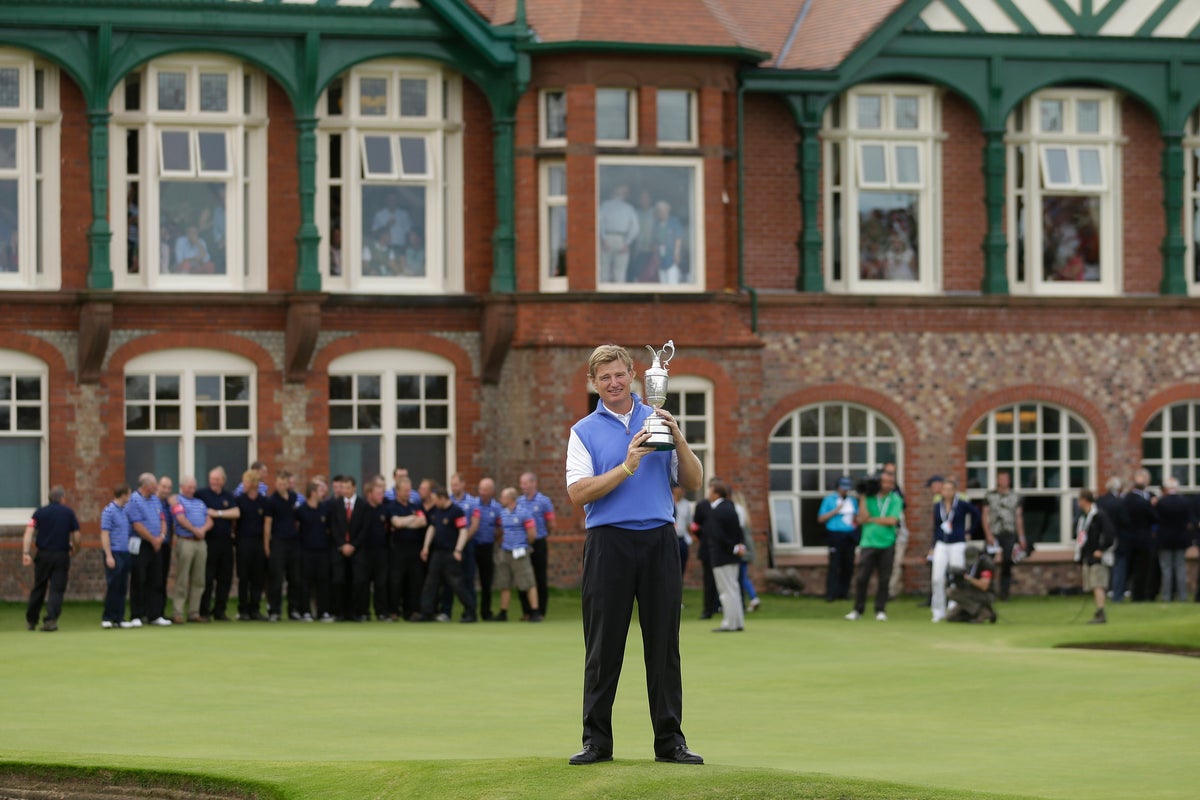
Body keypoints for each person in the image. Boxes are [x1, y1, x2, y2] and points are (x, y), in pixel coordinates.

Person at [565, 343, 704, 766]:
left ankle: (670, 741)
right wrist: (626, 466)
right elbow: (577, 493)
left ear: (634, 376)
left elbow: (694, 482)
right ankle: (597, 742)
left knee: (664, 644)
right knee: (603, 646)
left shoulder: (657, 419)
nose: (613, 383)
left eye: (619, 375)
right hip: (608, 543)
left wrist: (677, 436)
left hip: (659, 540)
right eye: (604, 377)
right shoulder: (583, 430)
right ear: (594, 383)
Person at [846, 469, 903, 622]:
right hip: (868, 542)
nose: (889, 485)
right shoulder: (870, 498)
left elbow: (892, 520)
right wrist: (863, 497)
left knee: (884, 579)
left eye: (891, 482)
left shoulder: (895, 499)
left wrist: (872, 519)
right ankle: (858, 609)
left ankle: (880, 609)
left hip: (887, 543)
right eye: (886, 482)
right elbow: (862, 518)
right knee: (862, 578)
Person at [22, 486, 81, 632]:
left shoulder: (39, 512)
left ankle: (31, 620)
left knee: (39, 587)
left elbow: (29, 532)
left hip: (43, 555)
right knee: (57, 588)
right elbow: (77, 535)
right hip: (61, 555)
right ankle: (51, 619)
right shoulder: (68, 513)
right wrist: (76, 548)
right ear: (62, 498)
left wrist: (26, 552)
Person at [418, 484, 477, 622]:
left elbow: (463, 531)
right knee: (430, 583)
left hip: (451, 553)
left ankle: (470, 611)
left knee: (457, 584)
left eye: (436, 499)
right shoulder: (437, 512)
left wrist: (458, 550)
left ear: (443, 498)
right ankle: (426, 612)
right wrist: (425, 547)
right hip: (437, 553)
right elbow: (432, 529)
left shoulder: (457, 511)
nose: (434, 503)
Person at [695, 480, 746, 632]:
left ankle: (729, 623)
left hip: (721, 556)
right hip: (732, 555)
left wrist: (733, 548)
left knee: (726, 591)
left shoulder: (716, 511)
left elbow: (718, 535)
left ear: (716, 493)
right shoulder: (731, 507)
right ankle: (737, 622)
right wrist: (738, 547)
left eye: (710, 491)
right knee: (734, 588)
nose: (708, 494)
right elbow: (738, 530)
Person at [929, 477, 982, 623]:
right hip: (941, 543)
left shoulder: (962, 505)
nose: (946, 492)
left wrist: (969, 531)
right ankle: (938, 610)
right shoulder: (937, 506)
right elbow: (935, 527)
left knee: (956, 575)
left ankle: (954, 607)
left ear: (954, 491)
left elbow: (977, 514)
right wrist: (932, 546)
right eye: (944, 489)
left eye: (949, 489)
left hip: (957, 543)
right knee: (937, 578)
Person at [491, 486, 542, 622]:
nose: (501, 499)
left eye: (503, 497)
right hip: (505, 551)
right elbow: (500, 531)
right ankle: (503, 612)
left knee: (528, 582)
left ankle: (535, 611)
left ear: (510, 498)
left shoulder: (524, 512)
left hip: (520, 552)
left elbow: (532, 533)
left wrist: (523, 544)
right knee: (504, 582)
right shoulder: (502, 513)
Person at [126, 473, 172, 627]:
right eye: (154, 485)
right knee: (139, 579)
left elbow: (162, 519)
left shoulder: (155, 499)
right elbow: (137, 525)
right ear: (146, 485)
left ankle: (155, 614)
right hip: (141, 544)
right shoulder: (134, 499)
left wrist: (161, 536)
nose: (157, 487)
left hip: (157, 543)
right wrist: (153, 539)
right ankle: (137, 614)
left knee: (156, 578)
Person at [197, 467, 238, 621]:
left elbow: (236, 512)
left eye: (217, 479)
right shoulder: (201, 494)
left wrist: (218, 513)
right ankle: (204, 610)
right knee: (207, 578)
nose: (214, 482)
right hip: (208, 541)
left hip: (226, 542)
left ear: (223, 480)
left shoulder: (228, 495)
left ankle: (220, 611)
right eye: (212, 479)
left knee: (225, 578)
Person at [170, 475, 212, 623]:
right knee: (182, 577)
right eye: (189, 487)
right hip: (186, 540)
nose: (192, 490)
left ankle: (194, 612)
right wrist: (195, 530)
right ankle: (178, 613)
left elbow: (209, 519)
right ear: (182, 487)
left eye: (194, 487)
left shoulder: (200, 503)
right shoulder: (178, 501)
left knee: (199, 579)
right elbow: (180, 519)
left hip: (200, 542)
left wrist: (203, 530)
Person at [387, 476, 428, 621]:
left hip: (414, 549)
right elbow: (396, 523)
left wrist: (406, 521)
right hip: (398, 549)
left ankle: (412, 611)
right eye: (404, 490)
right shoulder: (391, 506)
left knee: (415, 581)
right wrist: (411, 519)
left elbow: (422, 521)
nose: (407, 493)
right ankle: (394, 611)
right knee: (396, 581)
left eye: (409, 490)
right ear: (397, 491)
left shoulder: (415, 505)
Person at [516, 471, 556, 618]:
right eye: (521, 484)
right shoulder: (519, 501)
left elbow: (551, 523)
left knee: (539, 577)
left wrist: (542, 535)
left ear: (534, 483)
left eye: (525, 483)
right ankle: (526, 610)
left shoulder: (544, 501)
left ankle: (540, 610)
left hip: (539, 542)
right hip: (522, 543)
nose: (523, 486)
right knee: (523, 576)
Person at [982, 470, 1026, 600]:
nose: (1004, 481)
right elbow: (985, 516)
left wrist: (1021, 537)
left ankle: (1004, 593)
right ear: (997, 480)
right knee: (987, 562)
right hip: (994, 533)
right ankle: (987, 590)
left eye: (1006, 479)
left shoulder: (1015, 496)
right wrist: (988, 534)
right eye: (1001, 479)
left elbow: (1018, 517)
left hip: (1009, 533)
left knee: (1007, 562)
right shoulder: (990, 496)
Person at [265, 470, 301, 621]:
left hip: (293, 542)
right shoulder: (271, 501)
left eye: (285, 483)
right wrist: (267, 546)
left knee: (294, 577)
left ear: (288, 484)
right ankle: (275, 610)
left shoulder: (293, 498)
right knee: (277, 578)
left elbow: (298, 520)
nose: (282, 486)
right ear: (276, 483)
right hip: (278, 542)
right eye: (280, 483)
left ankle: (293, 610)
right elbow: (267, 524)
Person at [232, 469, 269, 620]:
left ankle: (255, 609)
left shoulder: (263, 502)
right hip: (243, 542)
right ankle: (243, 610)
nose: (244, 484)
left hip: (258, 542)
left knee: (258, 577)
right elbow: (234, 522)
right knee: (244, 577)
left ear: (253, 483)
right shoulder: (239, 500)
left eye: (246, 481)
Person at [353, 478, 391, 621]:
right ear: (370, 494)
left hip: (381, 551)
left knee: (381, 583)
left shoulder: (384, 509)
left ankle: (381, 612)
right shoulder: (362, 508)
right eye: (378, 493)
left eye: (382, 493)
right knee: (363, 582)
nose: (381, 496)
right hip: (364, 552)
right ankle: (363, 612)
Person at [328, 475, 365, 621]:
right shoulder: (335, 505)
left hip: (358, 550)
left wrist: (353, 545)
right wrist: (342, 545)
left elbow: (364, 529)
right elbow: (333, 527)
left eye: (347, 487)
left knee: (358, 581)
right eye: (343, 487)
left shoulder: (363, 505)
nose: (345, 490)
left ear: (354, 488)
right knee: (339, 580)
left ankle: (356, 613)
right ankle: (340, 613)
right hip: (339, 549)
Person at [1075, 490, 1115, 624]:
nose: (1078, 502)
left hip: (1097, 557)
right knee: (1092, 585)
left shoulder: (1099, 516)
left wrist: (1101, 550)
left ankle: (1101, 611)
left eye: (1079, 499)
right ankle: (1098, 610)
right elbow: (1082, 539)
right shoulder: (1083, 518)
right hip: (1088, 556)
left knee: (1098, 584)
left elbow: (1110, 535)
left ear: (1085, 500)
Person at [99, 484, 135, 629]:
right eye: (129, 494)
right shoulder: (109, 511)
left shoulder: (124, 511)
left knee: (122, 586)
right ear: (124, 495)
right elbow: (105, 534)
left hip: (125, 552)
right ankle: (107, 617)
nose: (130, 497)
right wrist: (108, 555)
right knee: (113, 586)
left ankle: (119, 618)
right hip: (113, 552)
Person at [296, 479, 332, 621]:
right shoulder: (301, 510)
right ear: (313, 493)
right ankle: (305, 611)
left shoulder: (325, 509)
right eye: (320, 490)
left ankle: (323, 612)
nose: (322, 493)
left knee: (323, 582)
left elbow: (329, 529)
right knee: (305, 583)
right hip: (306, 551)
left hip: (322, 551)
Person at [818, 476, 858, 602]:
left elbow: (856, 518)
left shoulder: (852, 501)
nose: (845, 491)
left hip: (849, 535)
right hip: (834, 535)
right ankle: (831, 593)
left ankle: (844, 593)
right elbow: (821, 519)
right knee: (834, 565)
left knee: (848, 566)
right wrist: (836, 511)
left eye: (847, 489)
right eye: (843, 488)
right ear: (838, 487)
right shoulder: (829, 500)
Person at [468, 477, 502, 620]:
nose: (482, 492)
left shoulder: (497, 508)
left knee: (486, 581)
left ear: (492, 491)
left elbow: (500, 529)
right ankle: (470, 611)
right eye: (481, 489)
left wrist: (494, 540)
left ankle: (486, 612)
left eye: (485, 490)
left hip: (487, 547)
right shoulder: (473, 505)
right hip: (473, 546)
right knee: (469, 579)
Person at [1122, 469, 1158, 602]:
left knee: (1133, 568)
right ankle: (1138, 595)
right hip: (1142, 538)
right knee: (1141, 568)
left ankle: (1131, 592)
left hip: (1131, 538)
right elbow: (1154, 517)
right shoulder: (1143, 501)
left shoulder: (1128, 498)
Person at [1154, 477, 1191, 602]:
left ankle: (1166, 596)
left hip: (1165, 538)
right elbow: (1188, 520)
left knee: (1166, 569)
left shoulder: (1161, 502)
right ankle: (1183, 595)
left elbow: (1156, 519)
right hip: (1180, 538)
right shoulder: (1184, 501)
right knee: (1180, 568)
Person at [1096, 477, 1130, 600]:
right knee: (1119, 566)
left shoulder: (1100, 501)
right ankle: (1117, 594)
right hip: (1119, 538)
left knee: (1104, 565)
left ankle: (1104, 591)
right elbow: (1125, 521)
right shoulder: (1120, 502)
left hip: (1103, 538)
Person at [597, 183, 639, 283]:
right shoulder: (629, 208)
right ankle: (620, 296)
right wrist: (627, 242)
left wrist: (603, 238)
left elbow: (598, 222)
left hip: (608, 238)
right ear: (624, 195)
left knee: (604, 271)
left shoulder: (604, 206)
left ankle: (603, 296)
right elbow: (635, 228)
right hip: (622, 239)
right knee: (620, 273)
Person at [945, 544, 997, 623]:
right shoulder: (967, 564)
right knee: (951, 617)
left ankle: (983, 612)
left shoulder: (986, 564)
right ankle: (980, 612)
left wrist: (968, 578)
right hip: (970, 592)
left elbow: (984, 586)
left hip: (985, 594)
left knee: (951, 592)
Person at [731, 489, 760, 613]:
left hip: (741, 548)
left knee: (741, 577)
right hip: (746, 547)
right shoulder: (743, 511)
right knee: (743, 575)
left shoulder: (736, 509)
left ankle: (752, 598)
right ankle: (752, 598)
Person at [671, 483, 694, 579]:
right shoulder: (668, 502)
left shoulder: (686, 504)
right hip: (670, 538)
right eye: (679, 488)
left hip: (681, 539)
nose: (681, 490)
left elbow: (689, 523)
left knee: (682, 565)